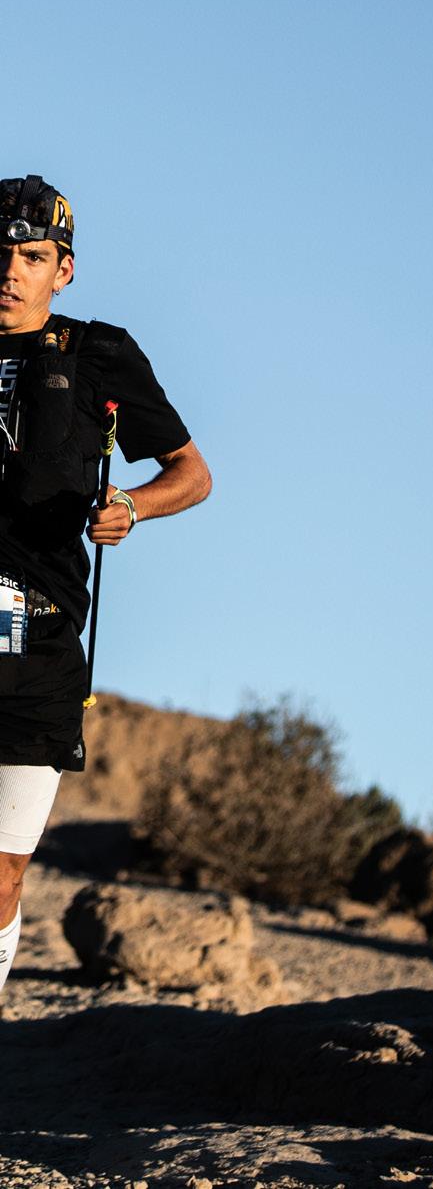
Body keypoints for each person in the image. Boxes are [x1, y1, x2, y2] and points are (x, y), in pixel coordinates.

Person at [0, 174, 211, 992]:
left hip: (40, 644)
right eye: (1, 253)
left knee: (3, 874)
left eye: (32, 256)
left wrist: (131, 506)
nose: (11, 270)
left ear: (64, 270)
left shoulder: (98, 355)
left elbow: (190, 473)